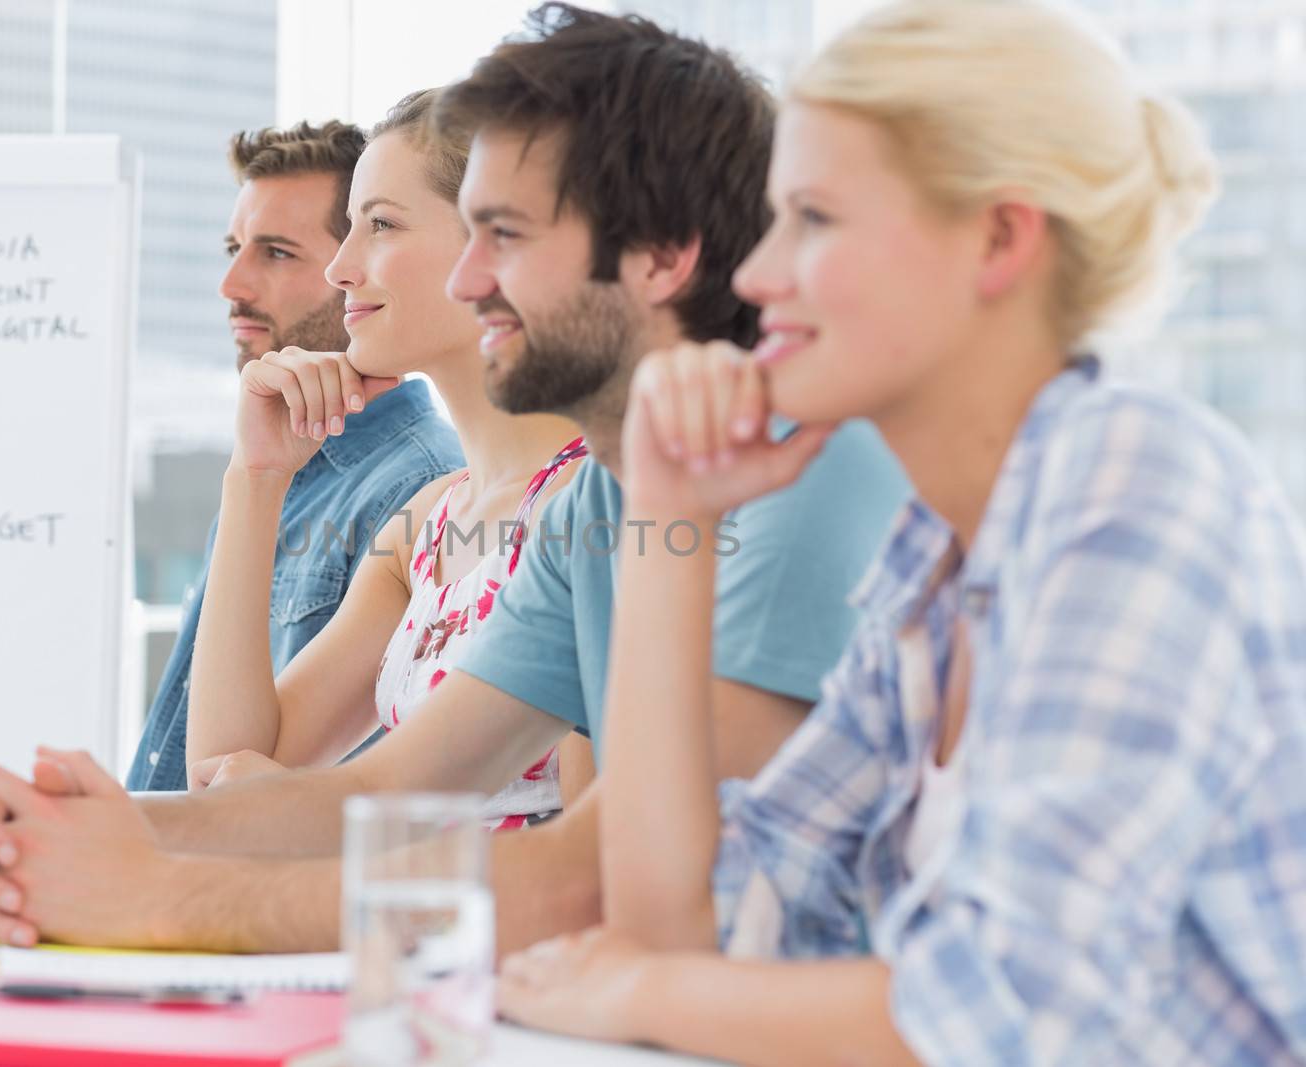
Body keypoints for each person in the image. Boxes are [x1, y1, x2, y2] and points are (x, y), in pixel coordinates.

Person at [0, 4, 905, 956]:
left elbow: (601, 871)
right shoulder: (617, 486)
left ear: (661, 259)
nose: (469, 277)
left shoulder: (788, 466)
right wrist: (58, 836)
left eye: (507, 236)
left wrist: (165, 892)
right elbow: (387, 791)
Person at [492, 3, 1306, 1065]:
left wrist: (643, 985)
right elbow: (691, 923)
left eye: (816, 218)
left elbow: (1013, 1012)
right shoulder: (934, 564)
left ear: (1000, 237)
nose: (754, 274)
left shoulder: (1136, 485)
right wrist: (667, 517)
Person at [184, 88, 593, 827]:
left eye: (380, 225)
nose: (341, 268)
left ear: (496, 249)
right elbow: (222, 771)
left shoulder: (593, 503)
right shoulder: (426, 524)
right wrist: (257, 474)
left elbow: (594, 859)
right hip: (403, 931)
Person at [126, 119, 464, 791]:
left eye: (276, 252)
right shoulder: (286, 468)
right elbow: (216, 779)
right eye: (233, 247)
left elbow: (276, 802)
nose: (230, 283)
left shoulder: (419, 486)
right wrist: (253, 475)